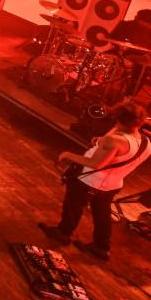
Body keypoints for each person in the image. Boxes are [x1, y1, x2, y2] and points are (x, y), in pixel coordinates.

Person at [40, 102, 150, 260]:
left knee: (73, 205)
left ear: (118, 119)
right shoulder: (146, 143)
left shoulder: (114, 141)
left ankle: (63, 233)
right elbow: (117, 145)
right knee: (102, 215)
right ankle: (101, 247)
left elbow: (96, 163)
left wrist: (68, 155)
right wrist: (103, 141)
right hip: (113, 184)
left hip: (91, 180)